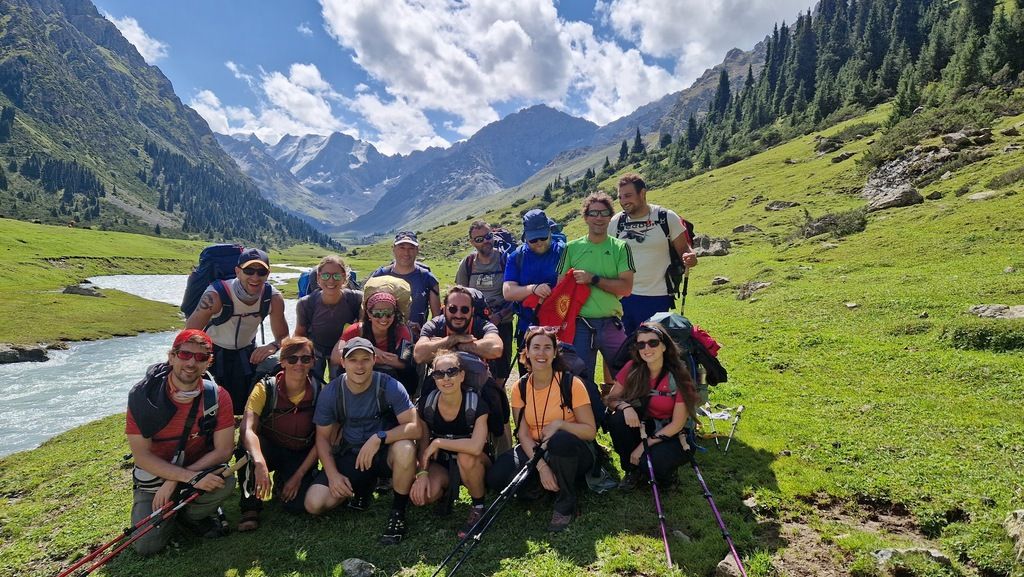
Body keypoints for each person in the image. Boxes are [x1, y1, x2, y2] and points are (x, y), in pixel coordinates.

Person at [125, 329, 235, 555]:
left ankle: (189, 515)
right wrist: (183, 478)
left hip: (195, 470)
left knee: (225, 481)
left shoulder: (218, 396)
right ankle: (170, 514)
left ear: (208, 363)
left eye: (201, 357)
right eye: (185, 355)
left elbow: (224, 450)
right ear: (172, 356)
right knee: (147, 546)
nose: (192, 363)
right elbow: (142, 456)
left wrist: (180, 479)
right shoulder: (142, 396)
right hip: (156, 476)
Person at [304, 338, 420, 545]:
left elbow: (414, 427)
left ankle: (398, 511)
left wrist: (380, 438)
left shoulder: (390, 385)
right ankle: (362, 487)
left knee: (405, 448)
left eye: (365, 359)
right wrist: (333, 476)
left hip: (385, 452)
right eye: (353, 360)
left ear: (374, 360)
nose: (359, 366)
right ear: (343, 361)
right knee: (314, 503)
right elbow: (322, 438)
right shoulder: (331, 392)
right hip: (351, 454)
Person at [485, 326, 597, 532]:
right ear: (527, 352)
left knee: (559, 441)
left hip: (573, 449)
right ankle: (547, 482)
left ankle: (566, 502)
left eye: (547, 347)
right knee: (496, 477)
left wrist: (561, 424)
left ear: (555, 352)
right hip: (537, 449)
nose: (541, 353)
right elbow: (523, 434)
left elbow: (590, 431)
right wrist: (542, 468)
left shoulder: (571, 383)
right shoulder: (520, 387)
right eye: (535, 347)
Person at [185, 248, 289, 415]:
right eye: (249, 271)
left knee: (242, 404)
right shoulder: (216, 295)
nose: (255, 277)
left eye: (261, 272)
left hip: (246, 353)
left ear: (268, 274)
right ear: (237, 272)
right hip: (213, 353)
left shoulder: (273, 298)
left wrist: (273, 346)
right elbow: (189, 333)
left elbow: (283, 337)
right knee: (211, 406)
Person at [237, 336, 322, 532]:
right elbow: (246, 428)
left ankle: (283, 483)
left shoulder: (320, 391)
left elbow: (323, 439)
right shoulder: (264, 388)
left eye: (305, 359)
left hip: (301, 452)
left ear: (313, 362)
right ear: (282, 362)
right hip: (269, 448)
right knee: (246, 452)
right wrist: (259, 461)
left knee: (297, 506)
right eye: (292, 359)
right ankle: (250, 507)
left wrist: (298, 476)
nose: (298, 364)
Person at [604, 322, 699, 489]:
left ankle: (665, 474)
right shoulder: (632, 368)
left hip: (672, 433)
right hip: (644, 425)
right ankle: (632, 471)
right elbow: (611, 398)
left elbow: (677, 424)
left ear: (664, 346)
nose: (646, 348)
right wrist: (625, 407)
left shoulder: (679, 376)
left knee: (654, 463)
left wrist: (643, 446)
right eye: (641, 344)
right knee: (618, 420)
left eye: (653, 342)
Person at [410, 350, 491, 538]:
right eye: (439, 374)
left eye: (452, 372)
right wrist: (422, 474)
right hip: (444, 464)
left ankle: (479, 506)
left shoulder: (476, 404)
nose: (446, 378)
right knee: (425, 496)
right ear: (434, 379)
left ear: (462, 375)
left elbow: (476, 446)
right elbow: (422, 444)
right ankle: (447, 491)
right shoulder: (427, 405)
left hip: (475, 461)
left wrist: (438, 442)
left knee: (466, 456)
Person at [557, 192, 635, 381]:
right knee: (580, 380)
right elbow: (560, 289)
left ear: (610, 216)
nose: (599, 218)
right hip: (580, 325)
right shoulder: (571, 248)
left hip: (611, 323)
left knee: (627, 376)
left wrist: (593, 279)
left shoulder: (621, 248)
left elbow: (626, 288)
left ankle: (617, 407)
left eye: (604, 213)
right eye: (593, 213)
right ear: (585, 217)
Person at [610, 173, 698, 335]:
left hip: (657, 297)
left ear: (642, 193)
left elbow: (684, 249)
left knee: (652, 349)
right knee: (623, 353)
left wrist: (690, 258)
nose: (623, 201)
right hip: (622, 298)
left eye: (628, 195)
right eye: (620, 197)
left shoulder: (665, 217)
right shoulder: (616, 222)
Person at [503, 209, 565, 373]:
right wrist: (533, 289)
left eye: (543, 237)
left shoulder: (563, 252)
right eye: (533, 239)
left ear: (550, 231)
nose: (539, 242)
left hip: (560, 328)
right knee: (528, 375)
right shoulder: (517, 257)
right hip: (527, 325)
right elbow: (508, 292)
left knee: (559, 376)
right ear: (525, 237)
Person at [456, 220, 514, 383]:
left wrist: (500, 316)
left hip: (502, 324)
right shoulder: (467, 264)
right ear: (472, 242)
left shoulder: (506, 260)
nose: (485, 241)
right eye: (479, 239)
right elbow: (459, 295)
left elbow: (517, 296)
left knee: (501, 373)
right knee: (473, 369)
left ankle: (498, 402)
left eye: (488, 236)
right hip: (474, 325)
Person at [331, 291, 416, 394]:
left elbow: (404, 363)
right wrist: (370, 351)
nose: (384, 318)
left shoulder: (402, 330)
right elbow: (335, 357)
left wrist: (371, 358)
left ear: (395, 313)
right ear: (368, 314)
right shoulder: (356, 329)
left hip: (392, 383)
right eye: (377, 313)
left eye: (388, 313)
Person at [294, 255, 362, 381]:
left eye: (336, 276)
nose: (331, 281)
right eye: (325, 276)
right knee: (312, 387)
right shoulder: (306, 303)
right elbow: (299, 334)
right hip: (315, 350)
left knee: (340, 386)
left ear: (344, 278)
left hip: (344, 349)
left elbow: (363, 329)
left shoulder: (356, 299)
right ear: (318, 278)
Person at [369, 231, 441, 336]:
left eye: (411, 248)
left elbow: (436, 317)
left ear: (417, 250)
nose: (406, 253)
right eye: (402, 247)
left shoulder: (428, 279)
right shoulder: (380, 276)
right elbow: (367, 309)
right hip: (383, 338)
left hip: (415, 339)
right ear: (393, 249)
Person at [413, 285, 503, 369]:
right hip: (443, 381)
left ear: (472, 311)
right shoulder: (434, 325)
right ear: (444, 310)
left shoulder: (482, 325)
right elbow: (419, 355)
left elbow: (496, 349)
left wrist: (455, 347)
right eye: (453, 309)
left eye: (465, 309)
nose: (458, 315)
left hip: (478, 383)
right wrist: (455, 339)